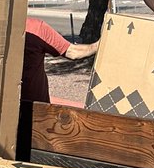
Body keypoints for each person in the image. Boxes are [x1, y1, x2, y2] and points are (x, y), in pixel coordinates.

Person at [17, 17, 99, 155]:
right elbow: (73, 52)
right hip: (37, 111)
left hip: (10, 109)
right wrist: (100, 44)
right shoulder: (35, 27)